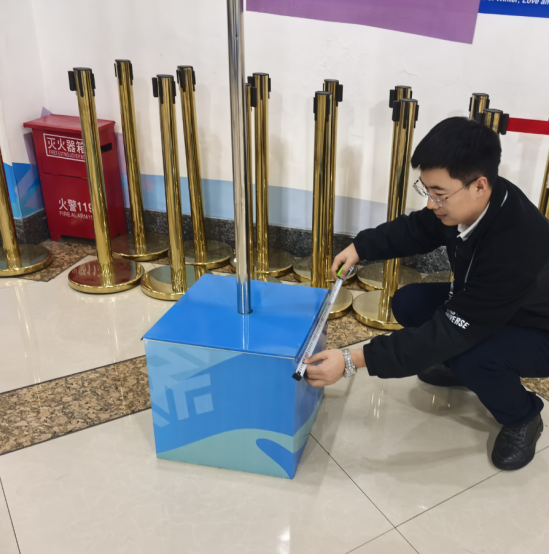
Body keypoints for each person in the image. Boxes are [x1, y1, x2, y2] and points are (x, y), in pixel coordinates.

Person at [304, 116, 549, 471]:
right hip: (496, 306)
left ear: (479, 186)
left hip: (539, 329)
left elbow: (449, 331)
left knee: (471, 355)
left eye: (440, 194)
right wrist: (360, 247)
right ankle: (461, 368)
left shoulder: (515, 247)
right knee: (410, 303)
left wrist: (350, 360)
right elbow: (417, 229)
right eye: (427, 191)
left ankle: (523, 417)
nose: (432, 204)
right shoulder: (474, 200)